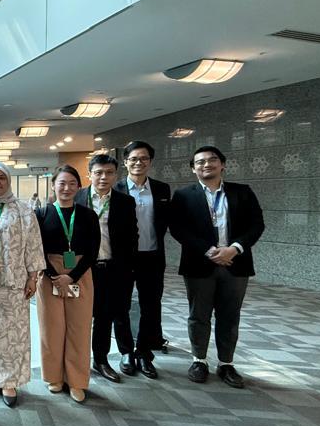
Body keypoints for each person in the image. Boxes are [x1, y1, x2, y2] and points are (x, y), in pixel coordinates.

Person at [170, 146, 264, 388]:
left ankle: (226, 364)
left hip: (235, 263)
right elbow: (178, 228)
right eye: (200, 162)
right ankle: (199, 360)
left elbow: (256, 225)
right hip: (199, 264)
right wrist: (209, 250)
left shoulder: (242, 192)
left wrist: (234, 248)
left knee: (230, 316)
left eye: (212, 160)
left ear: (223, 164)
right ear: (193, 169)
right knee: (198, 315)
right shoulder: (183, 195)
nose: (206, 164)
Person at [0, 162, 45, 408]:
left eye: (2, 178)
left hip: (14, 283)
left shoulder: (23, 210)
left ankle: (10, 382)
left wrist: (33, 277)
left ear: (8, 181)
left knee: (14, 335)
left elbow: (34, 245)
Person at [36, 165, 99, 403]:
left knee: (79, 329)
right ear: (53, 185)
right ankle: (54, 377)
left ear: (79, 187)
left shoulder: (88, 215)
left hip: (80, 273)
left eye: (72, 183)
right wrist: (55, 275)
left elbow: (93, 252)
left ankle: (76, 381)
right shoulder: (41, 214)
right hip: (48, 273)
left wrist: (71, 277)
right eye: (61, 183)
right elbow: (37, 250)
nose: (66, 188)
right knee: (51, 329)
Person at [75, 154, 138, 385]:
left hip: (113, 269)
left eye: (109, 172)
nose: (103, 177)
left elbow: (132, 237)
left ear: (116, 175)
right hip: (83, 269)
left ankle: (100, 360)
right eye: (98, 172)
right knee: (80, 317)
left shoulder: (125, 202)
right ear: (89, 174)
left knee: (105, 317)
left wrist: (128, 268)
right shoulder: (77, 198)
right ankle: (76, 361)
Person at [112, 140, 171, 376]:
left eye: (144, 158)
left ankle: (144, 353)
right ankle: (126, 351)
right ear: (125, 162)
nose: (139, 162)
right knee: (121, 306)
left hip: (152, 257)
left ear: (150, 162)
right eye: (134, 159)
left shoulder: (162, 189)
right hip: (123, 259)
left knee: (151, 306)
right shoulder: (115, 189)